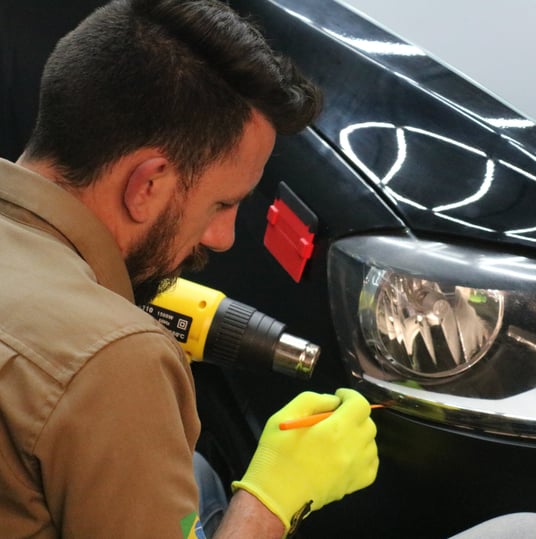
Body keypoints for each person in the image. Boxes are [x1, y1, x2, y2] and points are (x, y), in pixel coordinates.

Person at [0, 0, 378, 537]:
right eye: (223, 205)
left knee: (197, 476)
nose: (222, 238)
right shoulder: (113, 360)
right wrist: (274, 500)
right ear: (148, 185)